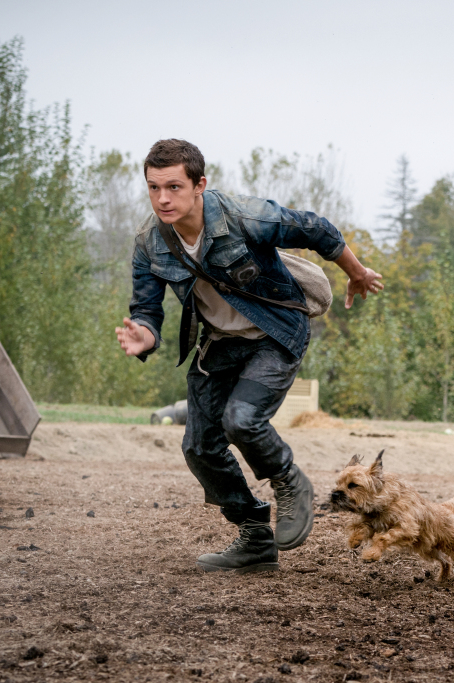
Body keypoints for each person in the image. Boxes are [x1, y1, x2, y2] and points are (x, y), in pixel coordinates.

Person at [116, 139, 383, 574]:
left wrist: (355, 272)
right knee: (200, 448)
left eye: (174, 187)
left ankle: (289, 480)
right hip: (220, 343)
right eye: (153, 188)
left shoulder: (243, 216)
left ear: (199, 184)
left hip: (275, 332)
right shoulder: (150, 243)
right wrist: (144, 335)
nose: (163, 198)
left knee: (241, 419)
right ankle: (255, 534)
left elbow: (316, 229)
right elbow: (145, 309)